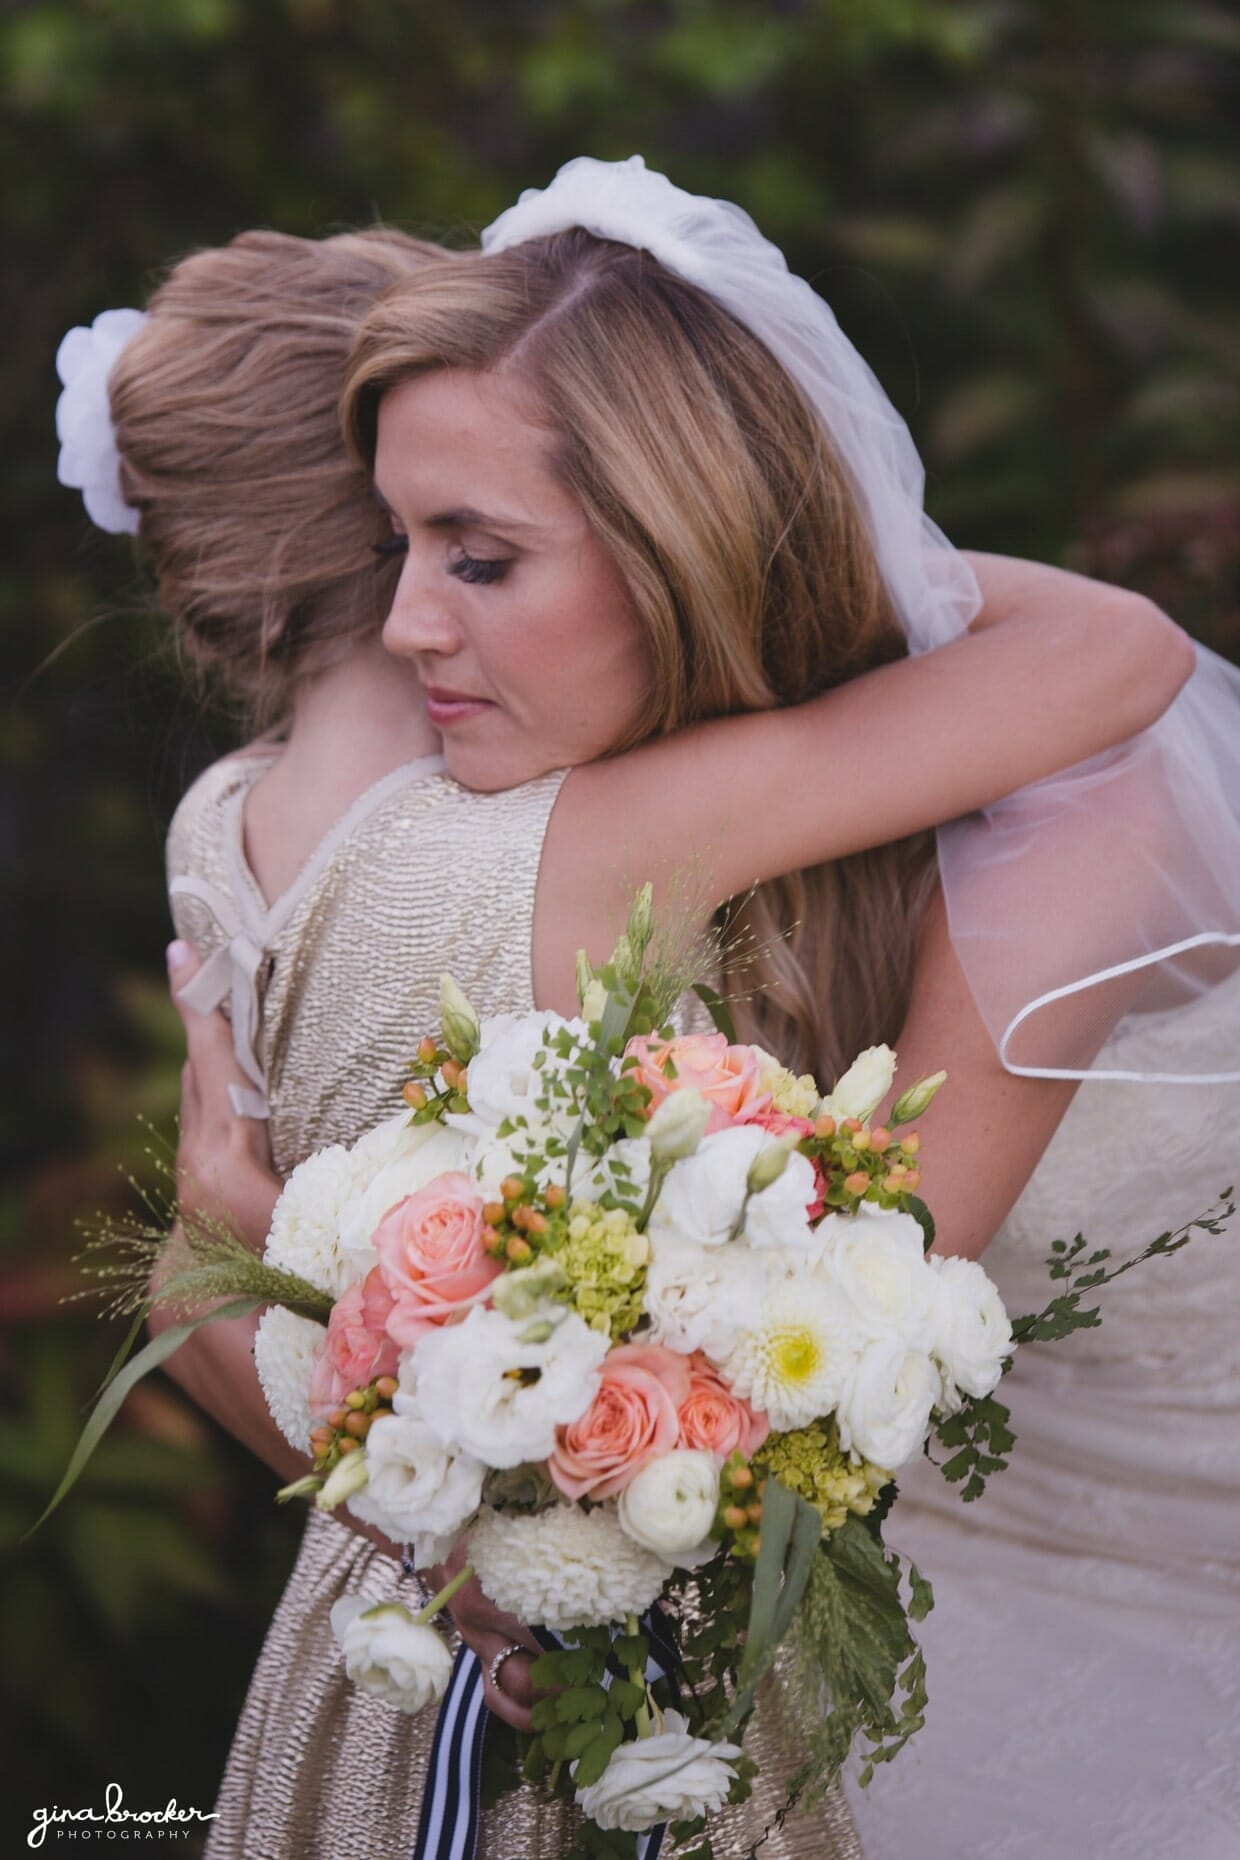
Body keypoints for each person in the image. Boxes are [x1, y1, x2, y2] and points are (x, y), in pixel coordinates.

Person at [55, 169, 1213, 1858]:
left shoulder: (218, 834)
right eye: (410, 539)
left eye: (476, 548)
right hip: (640, 1720)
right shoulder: (597, 843)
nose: (415, 613)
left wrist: (440, 1526)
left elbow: (194, 1271)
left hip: (363, 1668)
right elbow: (1116, 647)